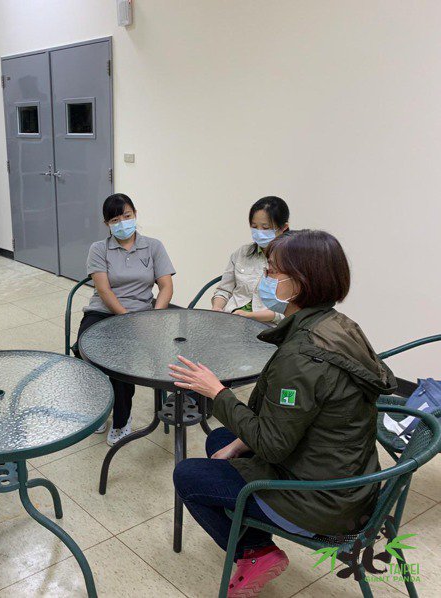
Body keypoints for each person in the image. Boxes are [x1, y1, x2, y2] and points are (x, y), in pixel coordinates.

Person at [169, 230, 396, 597]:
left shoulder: (302, 356)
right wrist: (238, 443)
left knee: (187, 475)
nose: (265, 278)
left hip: (322, 500)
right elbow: (294, 418)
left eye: (272, 272)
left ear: (300, 282)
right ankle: (255, 541)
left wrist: (217, 393)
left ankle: (254, 552)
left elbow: (273, 446)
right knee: (222, 439)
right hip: (349, 479)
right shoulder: (336, 325)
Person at [77, 193, 176, 445]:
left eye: (127, 216)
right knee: (83, 349)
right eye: (115, 220)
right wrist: (124, 316)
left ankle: (122, 420)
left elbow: (166, 286)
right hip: (104, 311)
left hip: (141, 314)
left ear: (135, 214)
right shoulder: (99, 249)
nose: (122, 223)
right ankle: (98, 409)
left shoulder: (153, 246)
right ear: (106, 224)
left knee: (120, 360)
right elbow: (103, 290)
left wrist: (155, 316)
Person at [211, 196, 290, 323]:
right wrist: (217, 308)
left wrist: (250, 316)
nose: (259, 232)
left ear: (283, 227)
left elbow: (289, 311)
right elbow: (224, 290)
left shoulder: (292, 259)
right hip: (231, 319)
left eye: (266, 228)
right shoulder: (242, 253)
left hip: (267, 326)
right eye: (254, 226)